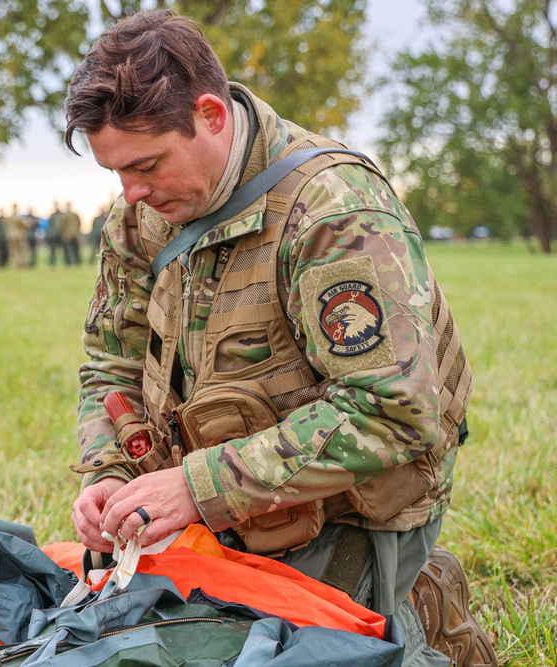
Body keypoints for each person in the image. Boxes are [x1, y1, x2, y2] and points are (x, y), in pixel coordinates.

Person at [65, 11, 495, 667]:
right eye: (116, 172)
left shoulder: (333, 209)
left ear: (210, 115)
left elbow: (395, 413)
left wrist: (195, 486)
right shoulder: (140, 217)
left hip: (348, 507)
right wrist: (112, 474)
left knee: (260, 654)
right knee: (131, 639)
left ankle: (414, 599)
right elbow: (108, 369)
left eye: (147, 164)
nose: (132, 193)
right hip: (218, 495)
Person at [4, 203, 29, 269]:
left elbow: (7, 227)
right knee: (22, 250)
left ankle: (16, 264)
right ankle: (22, 264)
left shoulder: (9, 217)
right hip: (18, 236)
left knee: (14, 251)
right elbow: (24, 225)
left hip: (11, 236)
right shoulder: (18, 217)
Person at [59, 200, 82, 266]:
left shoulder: (71, 215)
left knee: (74, 250)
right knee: (69, 250)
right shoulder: (71, 215)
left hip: (72, 235)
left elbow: (79, 224)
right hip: (70, 235)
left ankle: (74, 263)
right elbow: (61, 225)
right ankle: (71, 263)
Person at [46, 201, 64, 267]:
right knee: (52, 250)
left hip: (61, 235)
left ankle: (65, 263)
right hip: (53, 236)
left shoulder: (62, 215)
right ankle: (52, 262)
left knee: (64, 250)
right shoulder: (52, 215)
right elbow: (50, 225)